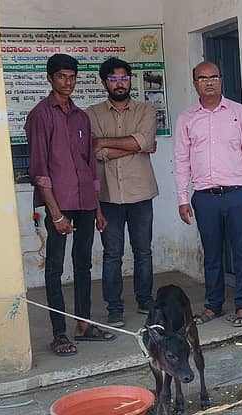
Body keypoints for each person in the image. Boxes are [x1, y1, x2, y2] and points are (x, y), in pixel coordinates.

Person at [25, 53, 115, 356]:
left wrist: (98, 209)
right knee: (54, 268)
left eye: (72, 77)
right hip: (59, 205)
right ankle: (59, 333)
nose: (68, 82)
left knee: (84, 264)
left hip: (85, 202)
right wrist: (56, 213)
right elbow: (39, 170)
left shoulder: (81, 117)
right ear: (50, 79)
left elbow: (90, 166)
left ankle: (83, 324)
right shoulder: (40, 115)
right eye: (62, 76)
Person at [174, 61, 242, 327]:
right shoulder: (187, 119)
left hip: (238, 194)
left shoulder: (239, 113)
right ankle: (213, 305)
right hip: (204, 197)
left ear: (221, 80)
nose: (209, 82)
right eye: (203, 78)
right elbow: (181, 161)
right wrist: (182, 198)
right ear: (195, 84)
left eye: (214, 77)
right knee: (211, 254)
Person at [86, 58, 159, 327]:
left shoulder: (145, 110)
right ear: (104, 82)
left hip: (141, 193)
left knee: (144, 251)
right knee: (112, 254)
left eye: (124, 78)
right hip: (108, 195)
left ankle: (145, 300)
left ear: (131, 80)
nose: (120, 84)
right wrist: (134, 146)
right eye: (114, 79)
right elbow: (94, 152)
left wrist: (105, 143)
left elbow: (144, 140)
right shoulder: (92, 113)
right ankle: (114, 307)